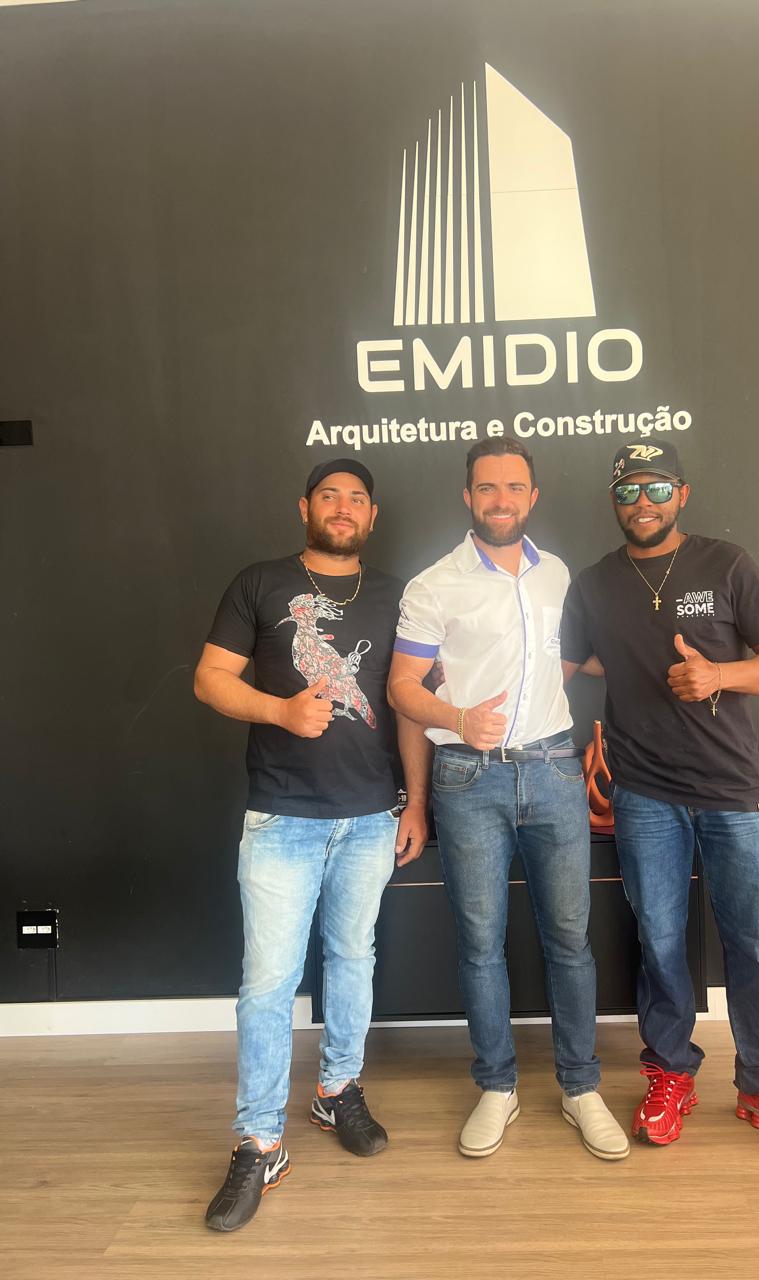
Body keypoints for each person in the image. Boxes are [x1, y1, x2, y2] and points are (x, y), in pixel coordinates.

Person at [561, 441, 759, 1158]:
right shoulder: (594, 583)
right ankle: (670, 1073)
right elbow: (568, 661)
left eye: (657, 488)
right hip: (644, 794)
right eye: (629, 490)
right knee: (659, 942)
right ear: (614, 500)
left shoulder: (727, 563)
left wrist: (719, 675)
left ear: (681, 495)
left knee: (749, 944)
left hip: (731, 790)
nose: (643, 503)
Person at [196, 459, 430, 1232]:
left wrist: (416, 802)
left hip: (371, 817)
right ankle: (260, 1141)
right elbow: (209, 678)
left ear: (372, 514)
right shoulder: (260, 583)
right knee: (268, 981)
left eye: (356, 498)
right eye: (330, 495)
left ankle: (336, 1091)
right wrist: (281, 711)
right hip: (283, 817)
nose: (343, 507)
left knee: (354, 959)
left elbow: (406, 705)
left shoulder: (396, 594)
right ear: (306, 507)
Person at [387, 439, 629, 1162]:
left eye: (514, 487)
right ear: (468, 497)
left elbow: (561, 660)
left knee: (570, 942)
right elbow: (400, 689)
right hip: (468, 777)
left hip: (554, 771)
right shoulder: (434, 584)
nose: (501, 500)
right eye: (487, 488)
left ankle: (580, 1087)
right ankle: (497, 1086)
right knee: (480, 944)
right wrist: (458, 718)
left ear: (533, 497)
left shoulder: (557, 575)